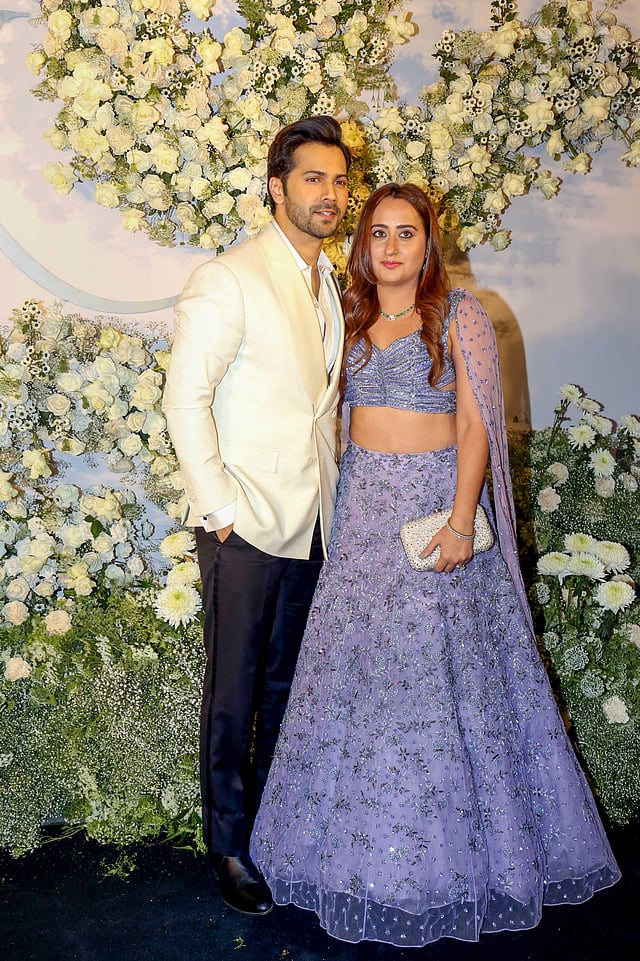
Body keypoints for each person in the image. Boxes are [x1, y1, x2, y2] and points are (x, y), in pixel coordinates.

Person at [250, 183, 620, 945]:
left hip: (433, 520)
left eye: (407, 233)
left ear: (430, 242)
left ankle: (457, 866)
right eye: (379, 233)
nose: (391, 247)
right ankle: (357, 862)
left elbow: (477, 422)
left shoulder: (460, 315)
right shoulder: (347, 314)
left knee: (440, 687)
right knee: (365, 685)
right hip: (363, 519)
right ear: (364, 245)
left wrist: (460, 521)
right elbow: (338, 425)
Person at [162, 116, 351, 916]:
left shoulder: (329, 280)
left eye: (340, 181)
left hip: (312, 520)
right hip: (244, 522)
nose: (330, 195)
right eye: (313, 179)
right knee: (233, 690)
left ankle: (272, 827)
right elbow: (184, 397)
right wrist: (220, 510)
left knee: (286, 685)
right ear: (276, 188)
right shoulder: (229, 275)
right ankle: (230, 845)